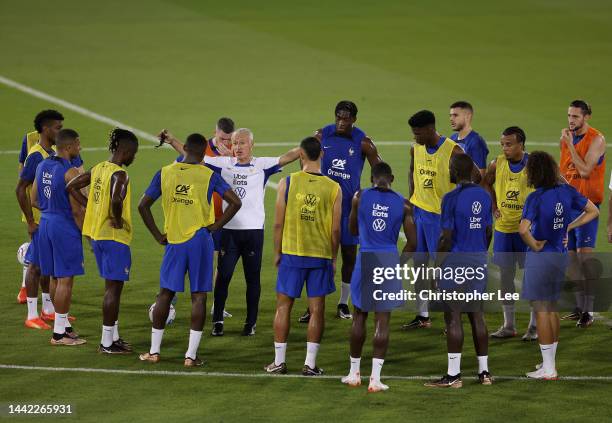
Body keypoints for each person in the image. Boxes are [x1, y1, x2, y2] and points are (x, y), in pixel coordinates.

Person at [138, 133, 241, 366]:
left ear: (184, 148)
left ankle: (154, 352)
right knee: (199, 296)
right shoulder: (209, 175)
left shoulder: (164, 172)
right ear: (204, 152)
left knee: (165, 293)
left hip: (174, 240)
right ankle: (190, 356)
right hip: (200, 240)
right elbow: (235, 202)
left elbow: (143, 205)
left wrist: (157, 235)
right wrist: (216, 226)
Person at [199, 128, 300, 336]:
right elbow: (194, 155)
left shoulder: (262, 165)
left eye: (242, 143)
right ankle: (217, 320)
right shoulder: (223, 164)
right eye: (235, 143)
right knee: (223, 277)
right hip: (229, 232)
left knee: (252, 278)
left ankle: (250, 323)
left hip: (253, 233)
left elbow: (287, 157)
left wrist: (310, 144)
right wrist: (172, 140)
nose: (237, 147)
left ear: (251, 145)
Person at [264, 137, 342, 376]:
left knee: (283, 306)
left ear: (301, 156)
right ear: (322, 156)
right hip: (320, 255)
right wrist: (333, 258)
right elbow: (336, 229)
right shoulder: (333, 187)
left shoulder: (287, 183)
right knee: (317, 309)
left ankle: (279, 362)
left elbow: (278, 224)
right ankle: (309, 364)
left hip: (292, 254)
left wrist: (277, 252)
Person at [519, 151, 598, 379]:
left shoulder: (535, 197)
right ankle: (548, 363)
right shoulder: (567, 191)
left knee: (542, 310)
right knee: (551, 309)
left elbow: (523, 229)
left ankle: (549, 369)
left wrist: (534, 245)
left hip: (541, 258)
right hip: (560, 254)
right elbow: (593, 210)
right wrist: (569, 228)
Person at [300, 100, 381, 322]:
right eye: (338, 117)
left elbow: (380, 170)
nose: (341, 122)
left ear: (354, 119)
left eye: (346, 118)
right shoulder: (322, 135)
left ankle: (343, 303)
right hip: (322, 207)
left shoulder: (363, 142)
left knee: (348, 255)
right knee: (318, 256)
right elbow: (305, 156)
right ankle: (312, 307)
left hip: (348, 210)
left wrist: (373, 192)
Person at [341, 162, 416, 392]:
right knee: (382, 320)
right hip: (387, 260)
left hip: (365, 259)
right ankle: (375, 379)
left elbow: (352, 230)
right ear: (392, 178)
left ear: (372, 177)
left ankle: (354, 373)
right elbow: (413, 243)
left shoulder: (360, 197)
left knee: (359, 317)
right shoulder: (404, 204)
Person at [404, 110, 481, 329]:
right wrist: (412, 198)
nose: (415, 137)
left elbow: (476, 176)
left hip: (440, 219)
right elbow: (412, 171)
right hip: (420, 213)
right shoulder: (415, 147)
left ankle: (452, 319)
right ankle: (423, 315)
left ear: (430, 129)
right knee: (420, 267)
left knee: (444, 270)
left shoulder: (453, 150)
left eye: (418, 133)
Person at [67, 128, 139, 354]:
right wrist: (117, 219)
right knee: (113, 290)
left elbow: (71, 186)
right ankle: (107, 343)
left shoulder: (99, 168)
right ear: (125, 151)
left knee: (112, 287)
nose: (134, 158)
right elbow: (117, 199)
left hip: (96, 235)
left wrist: (89, 205)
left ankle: (113, 337)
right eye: (133, 153)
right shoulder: (120, 174)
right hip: (113, 237)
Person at [424, 154, 493, 388]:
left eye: (450, 167)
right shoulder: (484, 195)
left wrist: (437, 266)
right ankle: (484, 373)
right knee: (477, 315)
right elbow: (487, 231)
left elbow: (446, 237)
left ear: (454, 170)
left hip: (456, 262)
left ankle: (454, 376)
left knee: (453, 316)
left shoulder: (451, 198)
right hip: (478, 259)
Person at [159, 118, 234, 318]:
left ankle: (217, 305)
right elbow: (186, 155)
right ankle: (170, 304)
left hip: (222, 218)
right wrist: (173, 140)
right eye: (223, 138)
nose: (226, 143)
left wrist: (232, 157)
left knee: (221, 262)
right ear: (215, 133)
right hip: (200, 218)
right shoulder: (203, 150)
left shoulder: (235, 152)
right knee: (185, 263)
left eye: (229, 139)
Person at [15, 110, 82, 329]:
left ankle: (49, 310)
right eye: (57, 127)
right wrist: (30, 221)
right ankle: (32, 315)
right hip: (43, 219)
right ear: (46, 129)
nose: (60, 131)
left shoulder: (52, 154)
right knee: (35, 266)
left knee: (49, 268)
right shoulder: (36, 156)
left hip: (47, 218)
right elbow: (20, 189)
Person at [31, 129, 86, 346]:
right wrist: (88, 235)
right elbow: (77, 211)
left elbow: (34, 198)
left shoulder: (42, 165)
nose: (80, 148)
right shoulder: (70, 172)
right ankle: (59, 335)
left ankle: (62, 327)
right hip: (64, 227)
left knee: (55, 276)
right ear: (69, 147)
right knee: (65, 279)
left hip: (45, 223)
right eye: (78, 144)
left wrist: (50, 208)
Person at [482, 127, 536, 340]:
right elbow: (486, 181)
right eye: (502, 144)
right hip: (504, 229)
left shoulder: (533, 165)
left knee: (532, 276)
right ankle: (509, 325)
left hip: (526, 231)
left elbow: (550, 187)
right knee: (506, 276)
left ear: (521, 145)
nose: (505, 148)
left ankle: (533, 327)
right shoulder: (497, 163)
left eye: (509, 144)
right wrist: (493, 204)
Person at [559, 100, 606, 328]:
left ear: (586, 117)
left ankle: (590, 309)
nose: (570, 120)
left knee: (584, 258)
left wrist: (570, 145)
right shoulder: (566, 139)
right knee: (571, 259)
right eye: (569, 115)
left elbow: (586, 171)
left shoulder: (597, 139)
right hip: (569, 205)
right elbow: (564, 172)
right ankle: (579, 308)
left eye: (576, 116)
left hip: (588, 206)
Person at [449, 101, 489, 178]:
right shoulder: (452, 138)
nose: (451, 119)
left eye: (455, 115)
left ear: (468, 117)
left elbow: (480, 176)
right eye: (450, 115)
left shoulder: (476, 142)